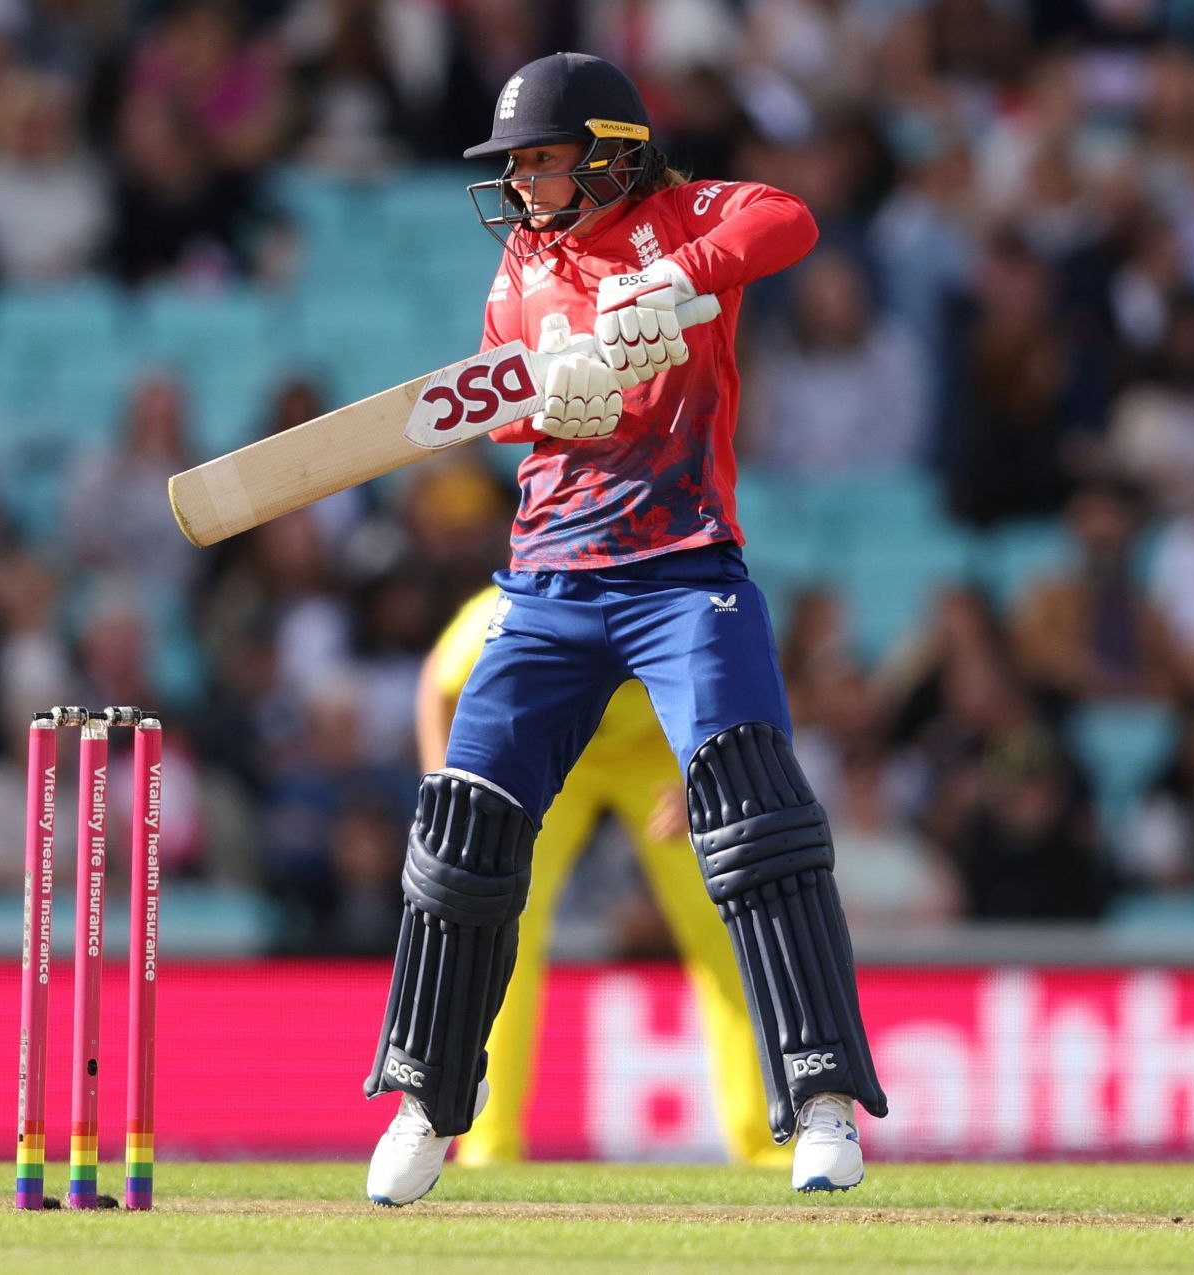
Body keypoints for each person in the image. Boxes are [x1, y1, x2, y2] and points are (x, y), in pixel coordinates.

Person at [363, 53, 886, 1206]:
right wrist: (557, 399)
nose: (521, 185)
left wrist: (678, 283)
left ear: (608, 151)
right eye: (514, 166)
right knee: (464, 833)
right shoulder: (521, 265)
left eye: (539, 161)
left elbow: (787, 219)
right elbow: (514, 406)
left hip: (684, 569)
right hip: (546, 582)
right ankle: (423, 1105)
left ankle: (823, 1101)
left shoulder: (693, 213)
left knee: (757, 818)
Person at [426, 587, 786, 1170]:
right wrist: (443, 787)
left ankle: (765, 1140)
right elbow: (441, 686)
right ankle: (487, 1142)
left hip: (657, 756)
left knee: (724, 923)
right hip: (552, 750)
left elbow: (742, 686)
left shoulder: (680, 600)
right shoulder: (529, 599)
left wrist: (706, 777)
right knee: (501, 923)